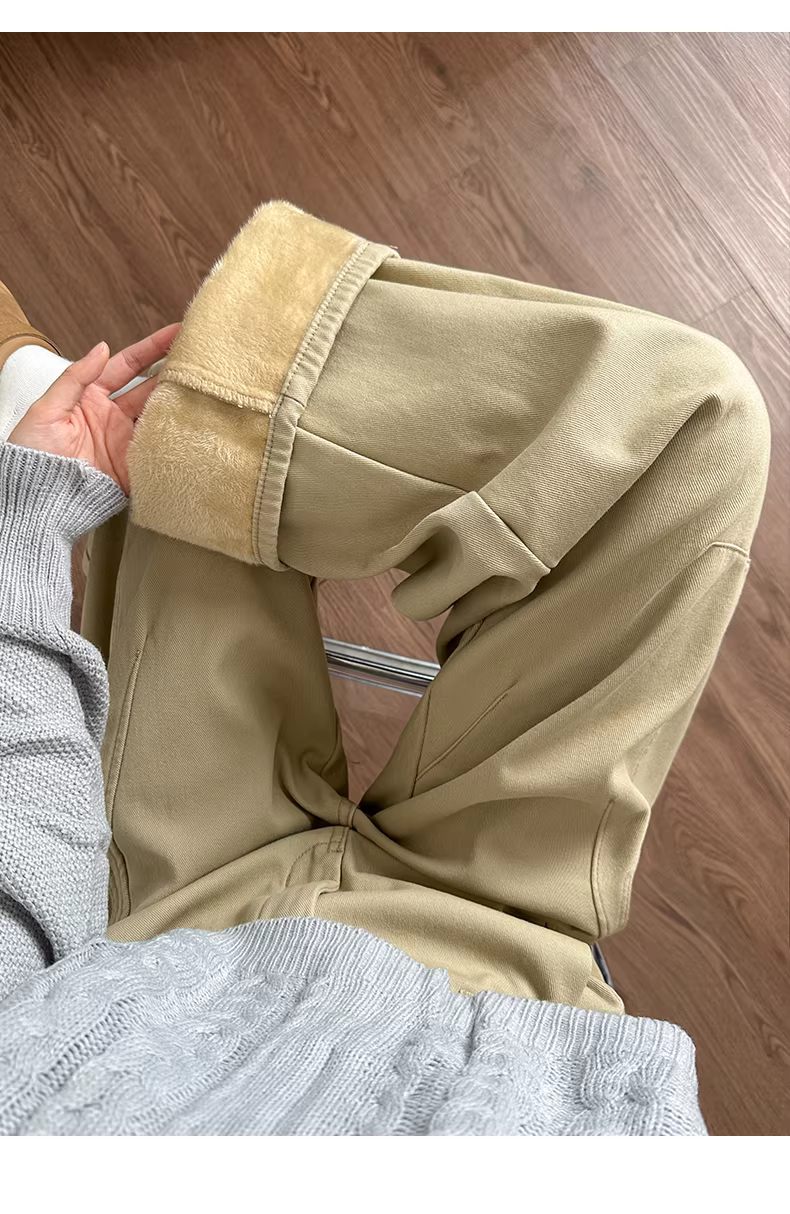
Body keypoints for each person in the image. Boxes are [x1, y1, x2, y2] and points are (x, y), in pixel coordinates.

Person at [0, 202, 770, 1135]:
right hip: (502, 956)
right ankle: (187, 396)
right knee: (692, 424)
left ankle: (72, 405)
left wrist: (27, 529)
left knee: (163, 455)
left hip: (169, 927)